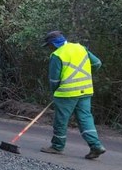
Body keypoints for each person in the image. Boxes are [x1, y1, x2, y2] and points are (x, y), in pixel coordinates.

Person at [40, 30, 106, 160]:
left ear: (54, 44)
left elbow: (54, 80)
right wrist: (85, 75)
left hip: (67, 93)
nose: (49, 48)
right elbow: (97, 63)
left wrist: (55, 91)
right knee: (85, 119)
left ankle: (57, 147)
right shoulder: (80, 48)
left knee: (61, 120)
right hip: (85, 90)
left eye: (49, 45)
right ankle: (96, 145)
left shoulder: (57, 55)